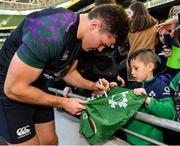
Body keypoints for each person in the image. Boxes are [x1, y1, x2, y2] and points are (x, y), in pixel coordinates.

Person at [0, 4, 129, 145]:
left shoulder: (80, 35)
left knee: (50, 141)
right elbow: (13, 89)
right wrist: (64, 102)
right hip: (9, 86)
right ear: (94, 25)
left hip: (36, 81)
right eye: (102, 44)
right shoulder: (49, 34)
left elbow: (68, 72)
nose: (100, 49)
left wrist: (92, 86)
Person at [124, 49, 176, 145]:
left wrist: (148, 100)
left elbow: (170, 114)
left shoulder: (161, 87)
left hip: (150, 142)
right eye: (131, 68)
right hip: (129, 139)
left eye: (136, 68)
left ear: (150, 66)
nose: (132, 72)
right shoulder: (132, 85)